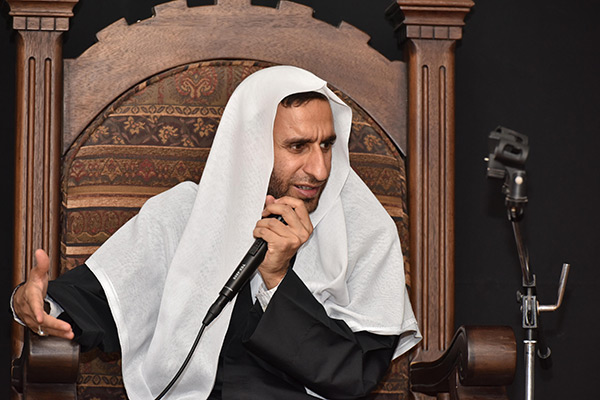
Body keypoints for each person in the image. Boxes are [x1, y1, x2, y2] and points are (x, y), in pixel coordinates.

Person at [12, 66, 421, 399]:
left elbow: (354, 376)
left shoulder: (366, 232)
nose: (319, 169)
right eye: (298, 147)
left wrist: (277, 279)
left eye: (327, 145)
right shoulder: (184, 214)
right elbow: (97, 301)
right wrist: (34, 302)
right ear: (252, 144)